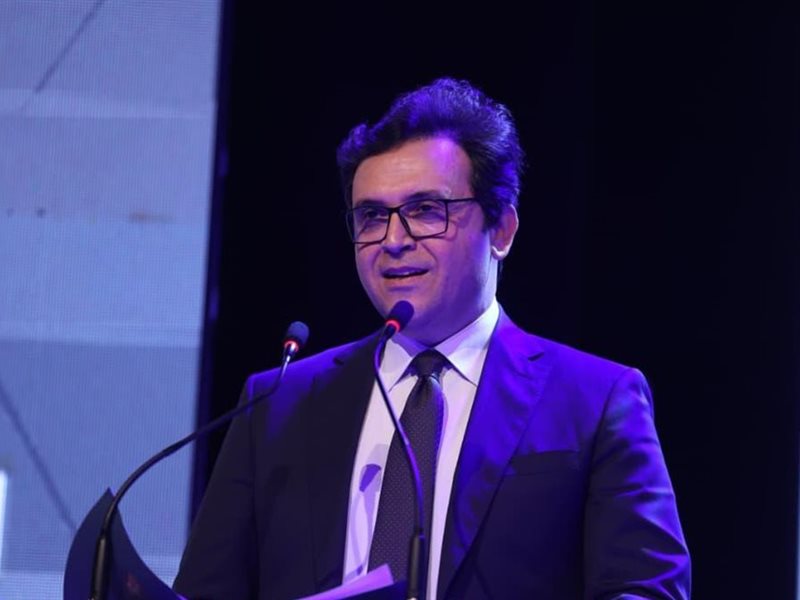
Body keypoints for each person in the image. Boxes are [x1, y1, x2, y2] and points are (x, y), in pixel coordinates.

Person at [173, 78, 691, 600]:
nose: (393, 241)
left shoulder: (595, 400)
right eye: (372, 217)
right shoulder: (277, 403)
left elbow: (646, 590)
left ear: (502, 230)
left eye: (425, 210)